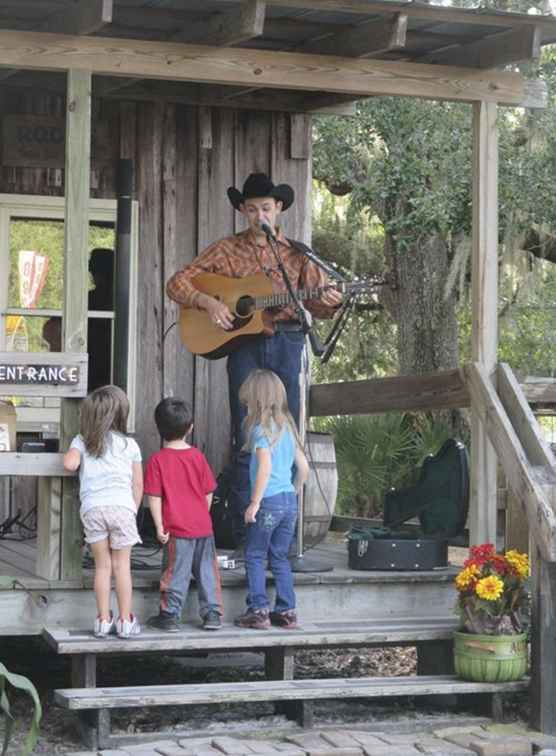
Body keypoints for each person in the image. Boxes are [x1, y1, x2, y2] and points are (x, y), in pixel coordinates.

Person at [166, 172, 341, 548]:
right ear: (243, 211)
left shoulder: (297, 252)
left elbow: (318, 304)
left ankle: (284, 530)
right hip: (245, 345)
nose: (259, 214)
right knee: (246, 431)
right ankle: (248, 530)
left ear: (278, 209)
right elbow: (177, 283)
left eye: (266, 207)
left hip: (288, 341)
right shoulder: (227, 250)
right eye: (252, 209)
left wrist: (330, 300)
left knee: (287, 428)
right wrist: (210, 302)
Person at [63, 385, 143, 639]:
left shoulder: (82, 441)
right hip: (122, 508)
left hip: (93, 509)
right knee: (122, 567)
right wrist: (132, 508)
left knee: (102, 567)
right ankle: (125, 621)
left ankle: (102, 620)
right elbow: (138, 484)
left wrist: (77, 456)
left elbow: (69, 464)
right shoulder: (130, 445)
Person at [234, 370, 309, 630]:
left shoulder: (259, 430)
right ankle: (287, 611)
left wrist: (254, 503)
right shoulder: (288, 427)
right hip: (289, 502)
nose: (245, 407)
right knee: (279, 557)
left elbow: (264, 468)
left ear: (256, 401)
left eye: (247, 402)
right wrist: (295, 489)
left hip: (267, 501)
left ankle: (258, 611)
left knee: (255, 555)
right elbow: (304, 467)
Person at [144, 397, 222, 632]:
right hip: (203, 527)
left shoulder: (158, 460)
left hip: (177, 530)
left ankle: (170, 615)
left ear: (159, 428)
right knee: (207, 572)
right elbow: (208, 492)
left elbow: (154, 498)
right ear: (190, 428)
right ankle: (212, 615)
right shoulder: (198, 456)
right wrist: (200, 515)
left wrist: (159, 526)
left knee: (175, 572)